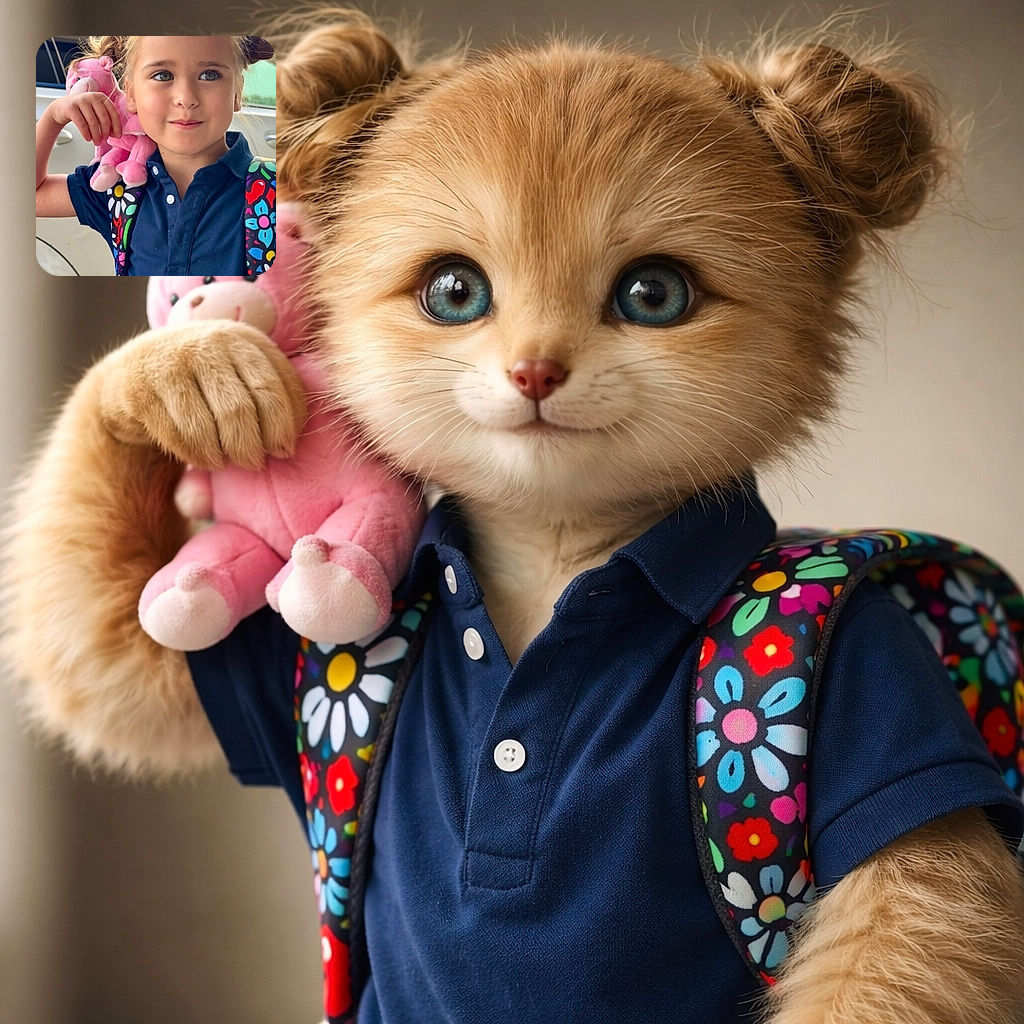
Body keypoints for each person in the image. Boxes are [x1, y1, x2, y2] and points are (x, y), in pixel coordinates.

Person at [35, 34, 275, 276]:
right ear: (131, 95)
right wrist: (53, 117)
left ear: (237, 91)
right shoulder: (117, 186)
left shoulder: (278, 191)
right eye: (163, 75)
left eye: (210, 75)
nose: (186, 99)